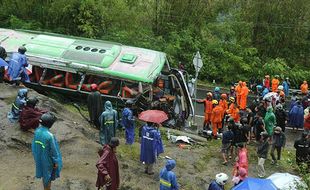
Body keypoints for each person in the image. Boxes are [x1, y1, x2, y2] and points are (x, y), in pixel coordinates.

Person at [32, 112, 62, 190]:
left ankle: (46, 187)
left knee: (43, 172)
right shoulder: (50, 136)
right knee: (47, 175)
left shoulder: (36, 131)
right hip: (48, 159)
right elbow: (54, 151)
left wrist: (36, 155)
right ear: (50, 124)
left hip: (39, 156)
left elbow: (33, 145)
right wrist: (55, 161)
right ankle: (47, 188)